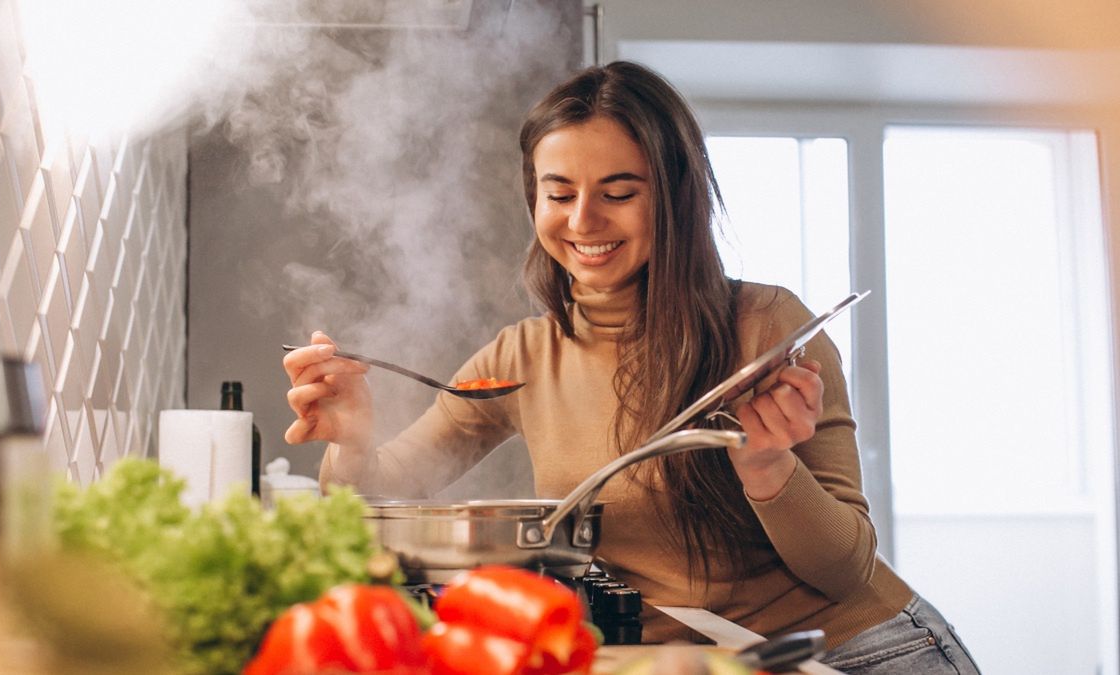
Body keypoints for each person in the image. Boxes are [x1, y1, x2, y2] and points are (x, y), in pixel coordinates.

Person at [282, 61, 980, 674]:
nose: (584, 220)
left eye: (618, 192)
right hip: (695, 662)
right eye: (559, 193)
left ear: (674, 197)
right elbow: (372, 499)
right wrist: (350, 438)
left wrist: (769, 470)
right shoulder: (521, 356)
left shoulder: (767, 325)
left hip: (857, 652)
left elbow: (845, 566)